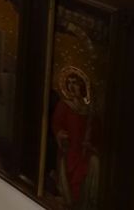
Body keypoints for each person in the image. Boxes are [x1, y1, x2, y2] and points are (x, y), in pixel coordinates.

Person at [51, 68, 100, 208]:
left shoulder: (89, 110)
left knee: (95, 163)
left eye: (75, 83)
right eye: (69, 83)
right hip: (70, 149)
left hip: (85, 149)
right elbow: (56, 125)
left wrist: (91, 142)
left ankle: (89, 201)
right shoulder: (64, 106)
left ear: (82, 86)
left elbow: (96, 132)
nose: (72, 86)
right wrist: (60, 134)